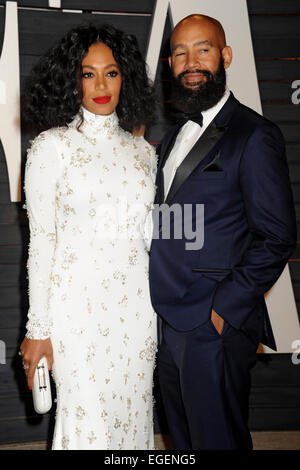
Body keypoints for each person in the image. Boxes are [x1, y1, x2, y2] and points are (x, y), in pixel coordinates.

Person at [149, 14, 297, 450]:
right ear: (170, 65)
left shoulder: (254, 135)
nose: (190, 61)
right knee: (183, 440)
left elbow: (277, 236)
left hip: (213, 324)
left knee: (218, 440)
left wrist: (223, 311)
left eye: (203, 49)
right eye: (180, 53)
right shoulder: (174, 136)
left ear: (226, 55)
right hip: (167, 319)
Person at [20, 24, 157, 450]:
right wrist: (37, 328)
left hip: (138, 315)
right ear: (71, 80)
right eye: (88, 73)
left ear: (125, 78)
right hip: (74, 318)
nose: (101, 85)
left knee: (134, 419)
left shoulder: (144, 154)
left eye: (111, 73)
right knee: (88, 428)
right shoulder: (50, 148)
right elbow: (41, 242)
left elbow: (151, 241)